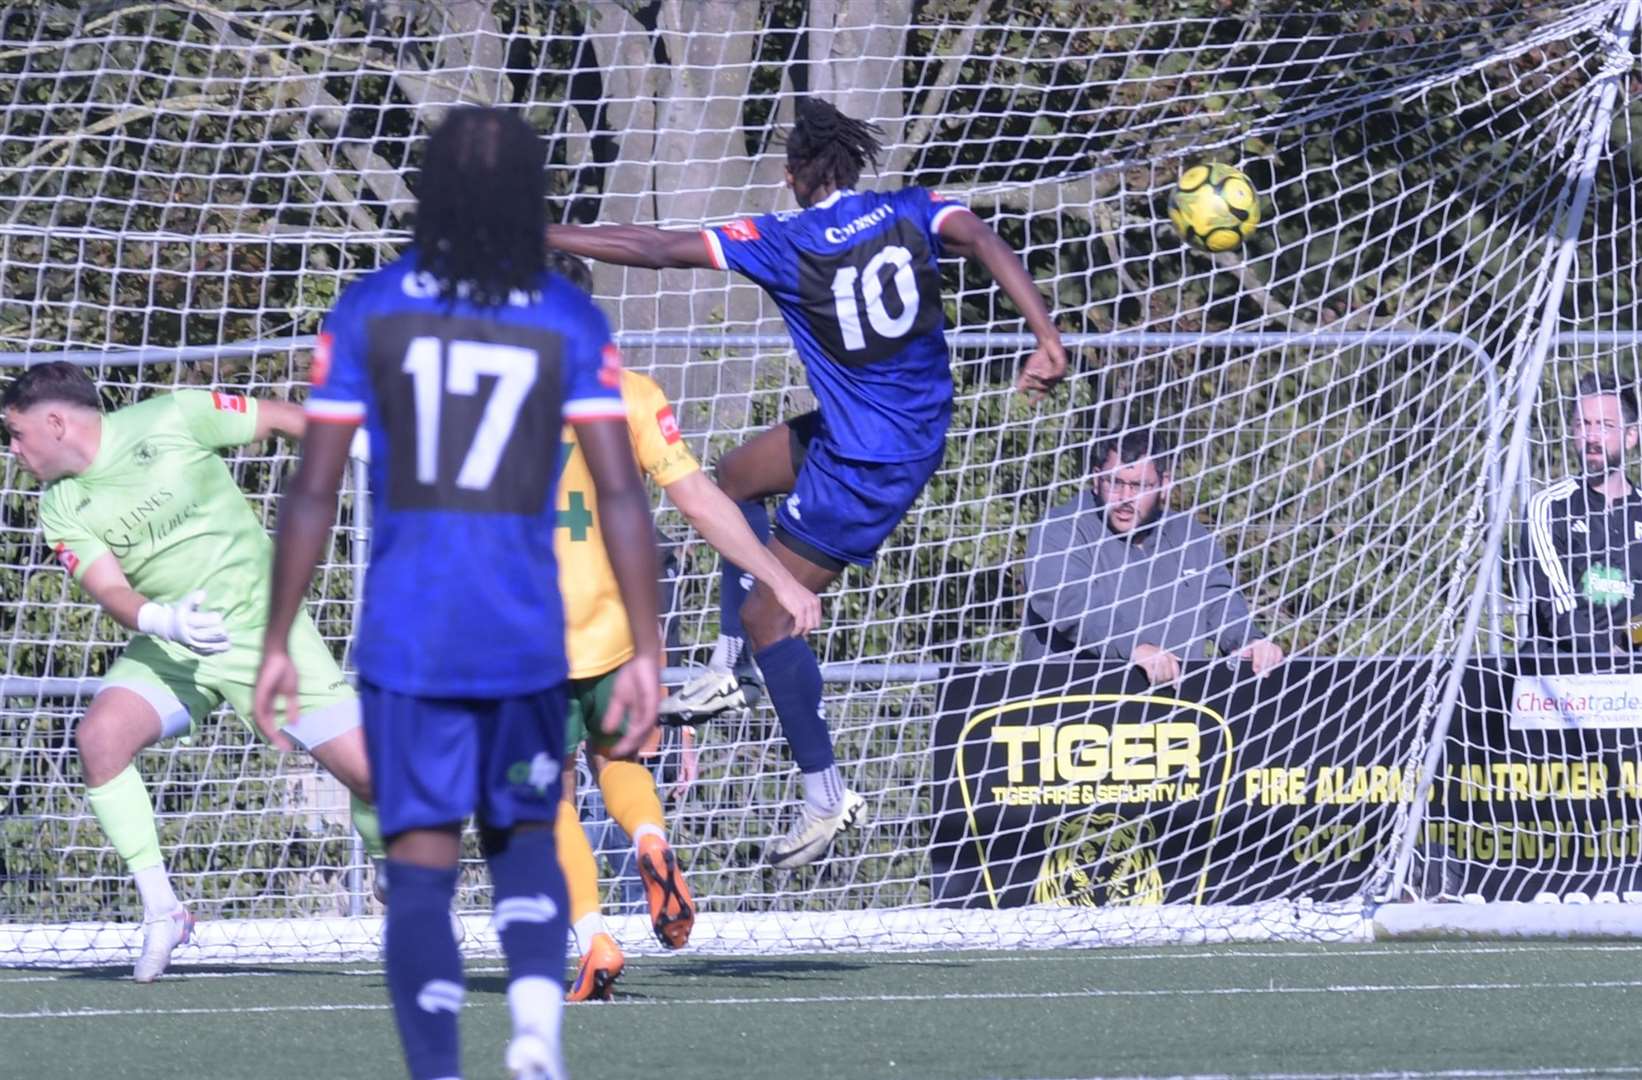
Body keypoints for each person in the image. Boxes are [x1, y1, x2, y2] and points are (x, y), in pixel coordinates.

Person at [548, 95, 1067, 869]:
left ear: (793, 176)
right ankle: (724, 671)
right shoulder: (914, 209)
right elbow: (983, 237)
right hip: (888, 429)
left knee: (771, 620)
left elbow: (656, 248)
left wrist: (537, 232)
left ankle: (825, 791)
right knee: (730, 479)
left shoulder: (783, 240)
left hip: (867, 464)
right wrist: (1046, 336)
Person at [254, 107, 660, 1080]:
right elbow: (619, 492)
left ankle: (437, 1069)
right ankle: (533, 1036)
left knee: (423, 867)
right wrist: (648, 646)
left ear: (426, 192)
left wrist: (276, 638)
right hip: (526, 634)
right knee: (524, 837)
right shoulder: (566, 316)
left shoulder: (369, 308)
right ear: (532, 198)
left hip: (408, 638)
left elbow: (312, 487)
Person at [1, 361, 383, 983]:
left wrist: (357, 441)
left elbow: (286, 420)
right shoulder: (61, 507)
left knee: (377, 782)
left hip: (269, 635)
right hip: (177, 642)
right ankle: (164, 911)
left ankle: (392, 864)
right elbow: (110, 590)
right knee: (100, 738)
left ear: (55, 422)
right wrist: (162, 621)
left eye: (16, 434)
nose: (14, 450)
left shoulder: (174, 414)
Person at [541, 251, 820, 1001]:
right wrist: (780, 576)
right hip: (619, 631)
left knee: (548, 799)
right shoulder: (632, 394)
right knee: (620, 761)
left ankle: (595, 936)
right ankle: (652, 841)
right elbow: (699, 501)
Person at [1022, 427, 1284, 683]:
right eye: (1114, 482)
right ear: (1096, 478)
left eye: (1139, 486)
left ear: (1165, 484)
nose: (1125, 497)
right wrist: (1135, 647)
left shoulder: (1190, 536)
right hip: (1070, 708)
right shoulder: (1061, 529)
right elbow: (1067, 600)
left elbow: (1219, 602)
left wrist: (1248, 640)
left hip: (1172, 711)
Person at [1520, 372, 1642, 658]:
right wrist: (1608, 655)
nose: (1591, 437)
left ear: (1631, 436)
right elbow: (1559, 610)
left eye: (1605, 425)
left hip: (1632, 676)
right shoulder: (1548, 508)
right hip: (1561, 681)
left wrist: (1628, 645)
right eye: (1583, 424)